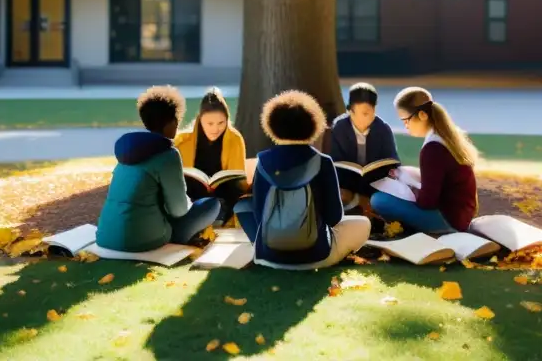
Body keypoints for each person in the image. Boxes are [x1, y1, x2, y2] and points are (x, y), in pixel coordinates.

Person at [233, 90, 371, 269]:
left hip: (268, 257)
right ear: (313, 124)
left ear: (272, 124)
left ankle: (264, 251)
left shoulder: (262, 162)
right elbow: (334, 217)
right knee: (363, 223)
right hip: (316, 256)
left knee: (242, 206)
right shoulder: (323, 162)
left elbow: (260, 216)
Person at [95, 85, 221, 252]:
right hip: (144, 240)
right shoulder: (167, 154)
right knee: (212, 205)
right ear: (173, 122)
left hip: (106, 236)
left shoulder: (129, 150)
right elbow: (179, 210)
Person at [369, 86, 479, 236]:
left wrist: (408, 188)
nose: (405, 126)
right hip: (461, 215)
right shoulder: (445, 137)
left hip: (449, 221)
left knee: (379, 200)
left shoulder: (433, 148)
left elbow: (427, 202)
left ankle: (419, 231)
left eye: (406, 120)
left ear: (422, 115)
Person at [173, 87, 247, 219]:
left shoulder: (235, 140)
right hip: (190, 201)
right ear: (200, 120)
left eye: (221, 123)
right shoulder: (182, 140)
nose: (215, 129)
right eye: (210, 123)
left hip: (221, 202)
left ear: (227, 120)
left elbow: (239, 181)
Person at [328, 83, 400, 204]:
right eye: (364, 113)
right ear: (351, 111)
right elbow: (335, 161)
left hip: (375, 183)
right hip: (347, 184)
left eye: (372, 112)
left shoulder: (383, 129)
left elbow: (392, 160)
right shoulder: (340, 128)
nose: (369, 117)